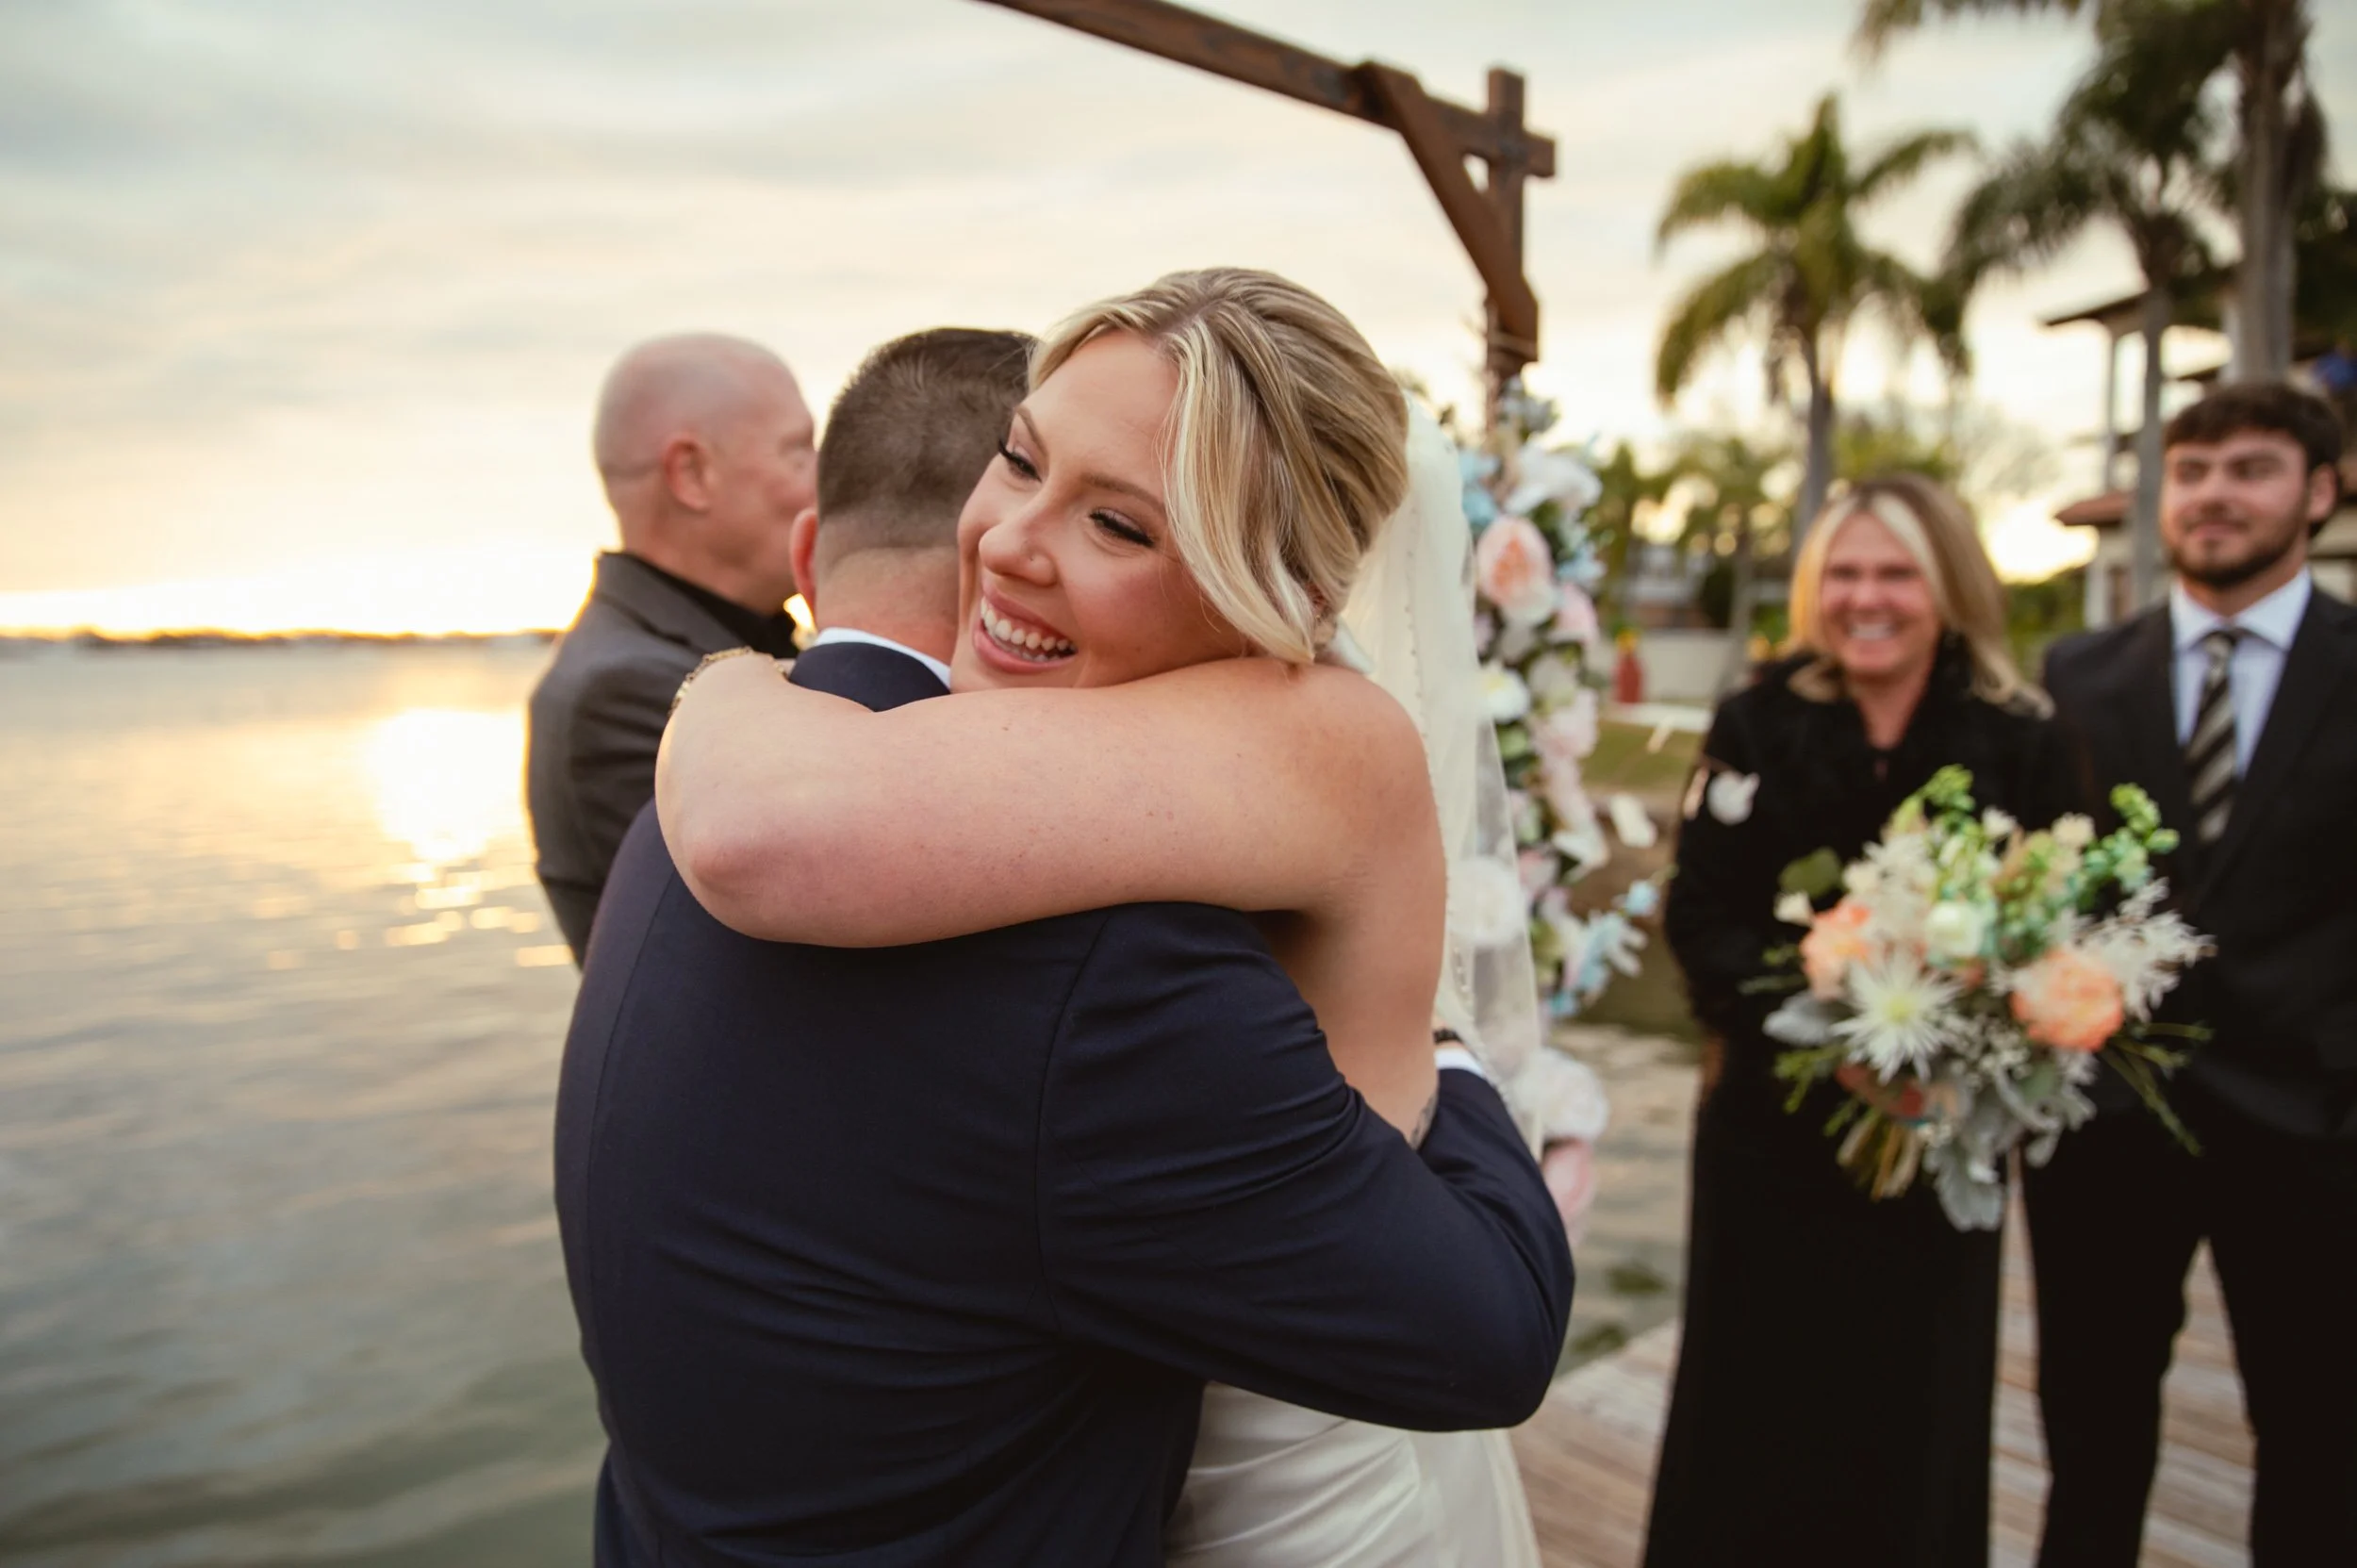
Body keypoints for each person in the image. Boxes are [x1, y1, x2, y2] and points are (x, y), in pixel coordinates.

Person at [565, 273, 1575, 1568]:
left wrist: (727, 680)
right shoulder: (1112, 967)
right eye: (1021, 459)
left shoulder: (694, 802)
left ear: (1289, 596)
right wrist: (1442, 1039)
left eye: (1118, 524)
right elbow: (1495, 1327)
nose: (1005, 543)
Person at [1641, 475, 2076, 1568]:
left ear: (1946, 589)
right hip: (1769, 1137)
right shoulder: (1756, 717)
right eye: (1843, 572)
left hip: (1934, 1144)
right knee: (1753, 1409)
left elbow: (2058, 928)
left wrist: (1958, 1038)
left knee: (1914, 1412)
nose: (1865, 597)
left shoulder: (2016, 736)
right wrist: (1832, 1030)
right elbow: (1698, 912)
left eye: (1894, 573)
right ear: (1811, 588)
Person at [2028, 383, 2356, 1567]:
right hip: (2106, 1126)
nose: (2215, 494)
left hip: (2319, 1130)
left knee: (2321, 1440)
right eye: (2196, 468)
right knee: (2091, 1438)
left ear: (2319, 492)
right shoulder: (2075, 672)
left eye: (2252, 468)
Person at [526, 333, 816, 960]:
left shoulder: (677, 648)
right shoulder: (627, 688)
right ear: (691, 474)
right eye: (799, 452)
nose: (829, 481)